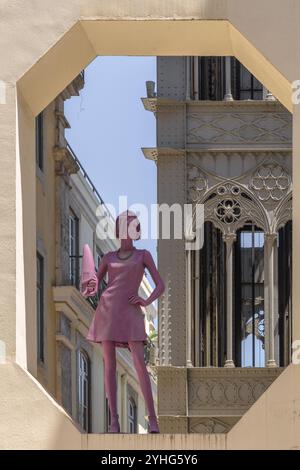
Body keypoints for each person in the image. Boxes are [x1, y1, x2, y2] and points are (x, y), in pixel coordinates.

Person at [80, 210, 165, 433]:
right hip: (107, 310)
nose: (125, 230)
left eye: (129, 225)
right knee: (109, 365)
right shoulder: (108, 258)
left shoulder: (143, 255)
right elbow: (94, 285)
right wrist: (88, 286)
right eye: (122, 226)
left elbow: (160, 285)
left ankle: (153, 420)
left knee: (139, 365)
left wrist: (145, 301)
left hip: (131, 311)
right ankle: (114, 422)